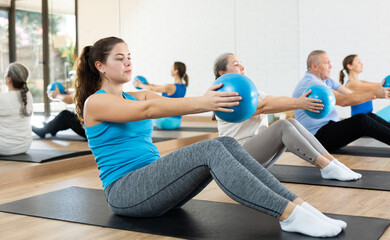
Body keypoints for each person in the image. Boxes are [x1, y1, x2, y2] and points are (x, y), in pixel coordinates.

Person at [74, 36, 345, 237]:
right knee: (209, 149)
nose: (128, 62)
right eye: (119, 58)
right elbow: (149, 109)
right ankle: (289, 215)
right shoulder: (95, 104)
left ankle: (300, 208)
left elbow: (166, 101)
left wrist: (209, 98)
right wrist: (207, 103)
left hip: (154, 183)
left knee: (224, 142)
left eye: (129, 56)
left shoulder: (137, 93)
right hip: (125, 192)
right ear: (100, 66)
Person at [213, 53, 361, 181]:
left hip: (255, 155)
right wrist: (299, 103)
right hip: (237, 159)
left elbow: (273, 100)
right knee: (282, 126)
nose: (243, 67)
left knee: (290, 122)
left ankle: (333, 163)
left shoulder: (250, 91)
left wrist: (300, 102)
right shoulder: (223, 96)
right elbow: (262, 107)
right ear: (222, 73)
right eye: (236, 64)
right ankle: (326, 167)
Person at [292, 50, 390, 156]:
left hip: (329, 131)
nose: (331, 66)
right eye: (327, 63)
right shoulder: (310, 84)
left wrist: (377, 92)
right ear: (314, 66)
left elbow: (351, 95)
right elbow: (344, 101)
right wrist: (375, 94)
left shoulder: (326, 81)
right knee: (362, 120)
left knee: (368, 116)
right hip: (317, 139)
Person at [134, 61, 188, 129]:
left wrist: (140, 85)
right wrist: (148, 84)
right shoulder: (183, 86)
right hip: (177, 122)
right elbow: (157, 87)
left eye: (172, 68)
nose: (170, 70)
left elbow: (153, 89)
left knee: (147, 109)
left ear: (176, 71)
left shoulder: (170, 87)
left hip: (166, 122)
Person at [0, 63, 33, 155]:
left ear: (9, 79)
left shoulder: (3, 99)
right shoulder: (28, 96)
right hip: (25, 145)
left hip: (4, 148)